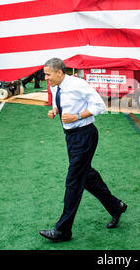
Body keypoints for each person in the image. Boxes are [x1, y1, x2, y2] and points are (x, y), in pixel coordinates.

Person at [39, 58, 127, 242]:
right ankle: (116, 206)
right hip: (71, 136)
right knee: (86, 176)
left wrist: (77, 116)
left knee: (73, 180)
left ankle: (63, 230)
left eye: (48, 74)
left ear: (59, 72)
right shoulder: (56, 85)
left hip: (85, 135)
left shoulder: (78, 84)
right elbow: (61, 100)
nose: (45, 78)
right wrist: (55, 110)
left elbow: (100, 106)